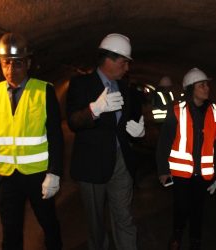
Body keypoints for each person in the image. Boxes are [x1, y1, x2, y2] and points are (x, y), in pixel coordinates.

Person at [0, 33, 63, 250]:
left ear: (28, 63)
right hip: (6, 176)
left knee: (49, 225)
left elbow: (55, 135)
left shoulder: (43, 90)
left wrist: (54, 173)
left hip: (37, 175)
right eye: (5, 63)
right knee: (10, 232)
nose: (10, 70)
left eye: (17, 64)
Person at [66, 33, 144, 250]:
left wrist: (136, 133)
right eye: (124, 63)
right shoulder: (80, 84)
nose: (126, 68)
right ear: (109, 60)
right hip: (92, 164)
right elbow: (73, 121)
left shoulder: (124, 88)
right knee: (96, 223)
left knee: (124, 217)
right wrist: (94, 110)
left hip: (120, 161)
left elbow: (126, 122)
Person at [156, 68, 216, 250]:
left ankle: (195, 240)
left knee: (198, 208)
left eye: (207, 85)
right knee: (181, 207)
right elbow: (164, 142)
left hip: (203, 172)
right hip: (181, 171)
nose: (206, 88)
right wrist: (163, 170)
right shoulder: (176, 111)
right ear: (190, 89)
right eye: (201, 85)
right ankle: (177, 234)